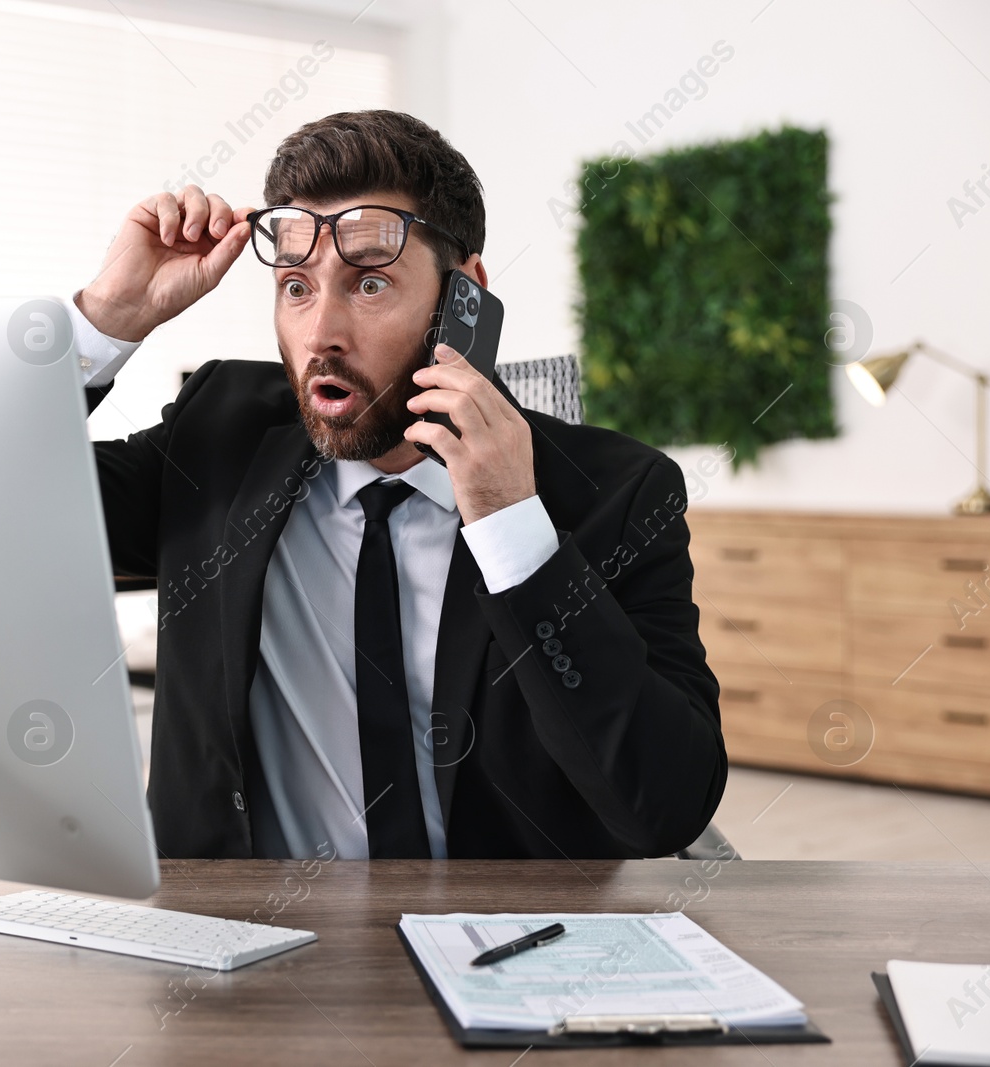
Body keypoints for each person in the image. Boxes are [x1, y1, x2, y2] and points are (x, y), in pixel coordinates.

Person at [65, 109, 725, 860]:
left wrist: (516, 533)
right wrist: (104, 323)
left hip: (505, 955)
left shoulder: (621, 492)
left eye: (369, 282)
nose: (320, 334)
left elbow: (665, 808)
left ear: (463, 296)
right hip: (241, 951)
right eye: (296, 287)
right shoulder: (216, 437)